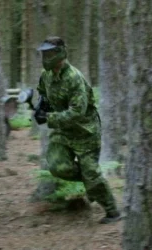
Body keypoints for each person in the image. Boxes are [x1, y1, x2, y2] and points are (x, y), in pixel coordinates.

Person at [33, 36, 122, 224]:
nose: (45, 57)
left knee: (91, 174)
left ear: (60, 54)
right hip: (63, 132)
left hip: (85, 132)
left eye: (49, 53)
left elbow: (77, 113)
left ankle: (112, 210)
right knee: (57, 166)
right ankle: (92, 182)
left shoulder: (74, 78)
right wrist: (42, 106)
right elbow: (42, 92)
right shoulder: (46, 75)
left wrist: (48, 118)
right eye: (44, 53)